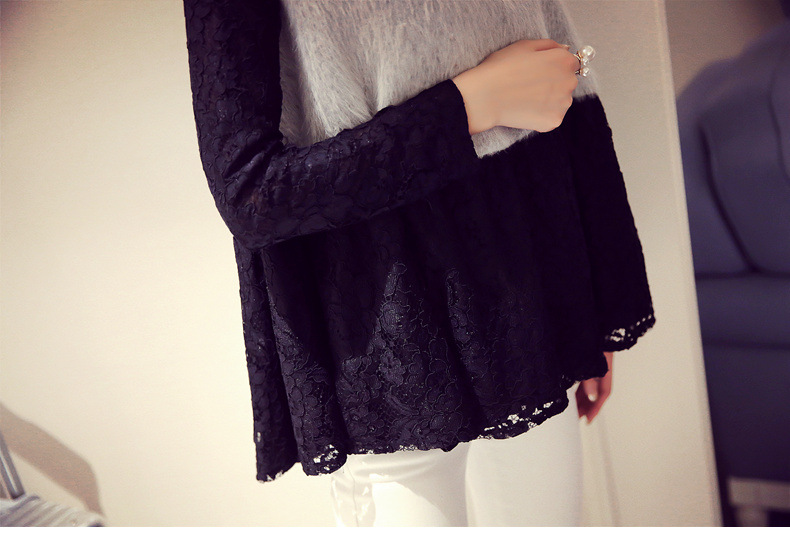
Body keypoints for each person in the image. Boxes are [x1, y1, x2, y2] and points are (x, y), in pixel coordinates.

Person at [182, 0, 655, 526]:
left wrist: (600, 300)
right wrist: (468, 106)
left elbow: (561, 68)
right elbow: (251, 193)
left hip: (531, 283)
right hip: (383, 318)